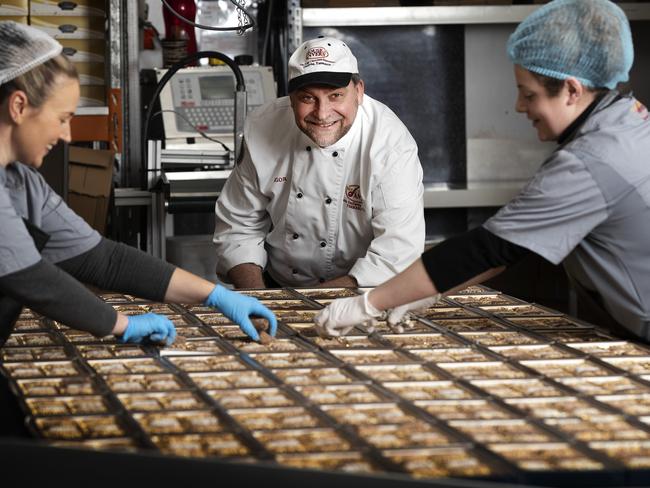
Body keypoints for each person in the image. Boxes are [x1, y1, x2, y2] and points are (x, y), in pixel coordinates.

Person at [314, 0, 650, 341]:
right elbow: (512, 246)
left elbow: (490, 249)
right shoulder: (626, 118)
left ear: (572, 90)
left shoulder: (591, 161)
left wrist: (369, 303)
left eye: (527, 94)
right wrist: (426, 290)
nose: (519, 106)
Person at [0, 21, 277, 348]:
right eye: (62, 118)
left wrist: (214, 295)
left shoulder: (22, 182)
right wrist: (120, 324)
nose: (67, 136)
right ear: (19, 106)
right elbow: (30, 277)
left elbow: (102, 259)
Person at [213, 36, 425, 289]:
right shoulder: (263, 127)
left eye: (335, 95)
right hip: (277, 285)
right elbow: (238, 228)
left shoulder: (389, 144)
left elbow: (397, 253)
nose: (322, 114)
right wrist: (258, 301)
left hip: (363, 292)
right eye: (307, 98)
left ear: (358, 92)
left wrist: (312, 304)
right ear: (290, 98)